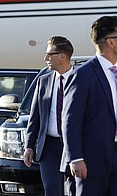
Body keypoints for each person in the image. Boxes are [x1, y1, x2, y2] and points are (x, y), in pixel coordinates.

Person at [61, 15, 117, 195]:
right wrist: (75, 157)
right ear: (110, 42)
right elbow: (70, 120)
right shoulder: (83, 75)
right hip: (91, 161)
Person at [24, 36, 74, 195]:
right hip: (49, 147)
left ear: (62, 56)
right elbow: (35, 116)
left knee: (74, 190)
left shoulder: (81, 80)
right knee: (52, 190)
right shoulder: (43, 81)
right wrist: (29, 145)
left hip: (74, 147)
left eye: (49, 54)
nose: (45, 58)